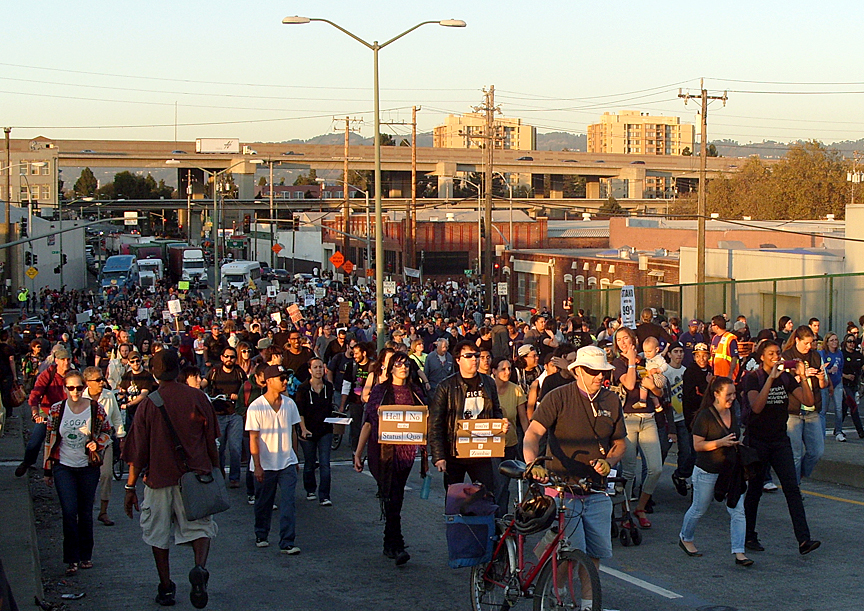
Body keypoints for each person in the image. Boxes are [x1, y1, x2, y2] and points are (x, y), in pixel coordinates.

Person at [523, 346, 627, 592]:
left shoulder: (611, 399)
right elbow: (532, 434)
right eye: (593, 371)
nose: (599, 376)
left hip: (597, 492)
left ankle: (589, 605)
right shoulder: (558, 397)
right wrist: (532, 464)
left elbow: (621, 443)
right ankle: (555, 598)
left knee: (593, 558)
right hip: (562, 492)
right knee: (569, 554)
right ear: (578, 370)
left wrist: (609, 462)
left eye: (603, 371)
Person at [122, 349, 220, 609]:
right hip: (195, 477)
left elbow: (138, 453)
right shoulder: (199, 397)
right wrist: (216, 471)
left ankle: (166, 587)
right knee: (200, 528)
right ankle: (199, 567)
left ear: (154, 373)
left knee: (157, 534)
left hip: (159, 478)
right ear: (179, 370)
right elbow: (211, 442)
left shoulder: (147, 404)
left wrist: (130, 487)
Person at [741, 340, 820, 555]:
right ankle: (748, 535)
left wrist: (803, 377)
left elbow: (808, 401)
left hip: (779, 441)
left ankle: (804, 540)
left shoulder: (786, 378)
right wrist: (770, 380)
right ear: (762, 357)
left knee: (792, 489)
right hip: (758, 441)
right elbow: (756, 407)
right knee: (755, 490)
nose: (776, 357)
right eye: (771, 354)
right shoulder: (753, 378)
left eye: (778, 353)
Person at [354, 352, 426, 565]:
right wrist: (358, 453)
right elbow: (368, 423)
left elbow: (423, 420)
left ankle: (389, 542)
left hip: (405, 452)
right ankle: (398, 544)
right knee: (391, 493)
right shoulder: (380, 391)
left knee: (395, 497)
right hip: (382, 452)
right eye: (399, 364)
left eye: (406, 365)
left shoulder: (416, 392)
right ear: (390, 369)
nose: (403, 368)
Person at [42, 370, 112, 576]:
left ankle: (85, 556)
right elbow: (49, 440)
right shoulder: (56, 410)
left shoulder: (95, 408)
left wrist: (96, 444)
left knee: (85, 512)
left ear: (84, 388)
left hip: (87, 467)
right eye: (70, 387)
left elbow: (107, 432)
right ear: (64, 388)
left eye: (79, 388)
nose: (75, 392)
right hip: (63, 466)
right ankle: (71, 559)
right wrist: (47, 470)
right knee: (69, 511)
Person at [678, 376, 753, 566]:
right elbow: (697, 445)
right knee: (699, 508)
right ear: (716, 394)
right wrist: (720, 443)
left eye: (734, 394)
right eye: (728, 394)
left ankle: (739, 552)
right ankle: (685, 537)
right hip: (707, 470)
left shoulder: (733, 412)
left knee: (738, 510)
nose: (732, 398)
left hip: (730, 471)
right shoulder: (705, 416)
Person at [429, 340, 506, 492]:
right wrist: (439, 456)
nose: (474, 360)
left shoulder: (488, 383)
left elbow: (496, 411)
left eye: (477, 355)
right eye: (469, 356)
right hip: (454, 453)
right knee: (454, 498)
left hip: (482, 451)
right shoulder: (446, 386)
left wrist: (501, 424)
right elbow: (435, 423)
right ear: (458, 360)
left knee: (486, 494)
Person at [246, 365, 302, 555]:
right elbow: (253, 437)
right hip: (265, 464)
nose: (285, 382)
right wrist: (258, 466)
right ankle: (261, 533)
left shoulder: (289, 404)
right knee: (264, 502)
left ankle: (287, 541)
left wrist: (295, 458)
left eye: (285, 378)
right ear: (269, 381)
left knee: (288, 502)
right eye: (281, 378)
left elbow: (294, 432)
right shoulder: (256, 407)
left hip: (286, 462)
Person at [611, 327, 662, 528]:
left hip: (648, 418)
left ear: (634, 339)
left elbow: (659, 389)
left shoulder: (648, 360)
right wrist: (631, 360)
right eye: (619, 340)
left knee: (656, 468)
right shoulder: (618, 363)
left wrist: (652, 387)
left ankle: (640, 506)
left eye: (626, 338)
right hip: (628, 419)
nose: (623, 342)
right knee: (629, 470)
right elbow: (630, 385)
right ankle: (626, 512)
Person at [15, 348, 72, 477]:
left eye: (68, 359)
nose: (66, 362)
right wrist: (36, 413)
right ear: (56, 360)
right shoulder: (47, 374)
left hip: (68, 412)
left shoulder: (73, 375)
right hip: (49, 412)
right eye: (63, 360)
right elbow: (35, 395)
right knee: (36, 439)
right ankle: (27, 462)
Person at [781, 325, 827, 483]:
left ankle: (800, 474)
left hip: (812, 410)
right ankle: (795, 488)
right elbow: (783, 383)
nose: (809, 347)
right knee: (795, 454)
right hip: (793, 410)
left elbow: (823, 384)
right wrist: (801, 375)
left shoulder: (816, 356)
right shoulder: (787, 356)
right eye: (806, 343)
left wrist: (821, 377)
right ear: (797, 340)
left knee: (817, 451)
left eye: (811, 343)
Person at [82, 366, 125, 527]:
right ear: (88, 382)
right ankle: (85, 509)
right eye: (98, 380)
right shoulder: (81, 397)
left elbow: (116, 417)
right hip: (84, 444)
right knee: (86, 477)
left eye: (102, 379)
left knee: (106, 475)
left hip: (105, 441)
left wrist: (121, 437)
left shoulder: (108, 396)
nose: (101, 382)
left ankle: (103, 511)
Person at [203, 346, 247, 489]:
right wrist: (197, 387)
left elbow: (246, 390)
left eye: (232, 357)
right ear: (222, 358)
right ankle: (220, 475)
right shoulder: (214, 372)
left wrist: (238, 396)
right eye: (227, 356)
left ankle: (234, 477)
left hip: (235, 414)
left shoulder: (239, 373)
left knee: (235, 448)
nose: (229, 359)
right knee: (219, 448)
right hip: (218, 415)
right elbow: (204, 383)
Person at [491, 356, 528, 516]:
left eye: (509, 369)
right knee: (496, 484)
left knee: (504, 485)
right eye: (503, 369)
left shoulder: (516, 389)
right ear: (494, 371)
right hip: (491, 444)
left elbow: (523, 418)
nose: (507, 372)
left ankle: (502, 519)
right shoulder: (487, 388)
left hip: (510, 443)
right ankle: (494, 519)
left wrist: (529, 439)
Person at [295, 357, 334, 506]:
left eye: (320, 367)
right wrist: (303, 429)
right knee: (310, 462)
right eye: (315, 367)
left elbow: (330, 408)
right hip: (308, 430)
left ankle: (324, 495)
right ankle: (310, 488)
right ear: (310, 370)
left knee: (325, 462)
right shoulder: (303, 388)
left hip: (325, 430)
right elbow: (300, 411)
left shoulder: (328, 387)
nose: (319, 370)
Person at [666, 343, 694, 496]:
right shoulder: (665, 371)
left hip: (683, 416)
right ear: (669, 354)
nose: (679, 355)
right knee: (663, 451)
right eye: (675, 352)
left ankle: (680, 475)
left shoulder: (686, 372)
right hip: (668, 418)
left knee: (687, 451)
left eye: (681, 352)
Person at [839, 334, 864, 439]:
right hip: (844, 384)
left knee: (844, 408)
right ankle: (860, 431)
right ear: (845, 342)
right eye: (849, 341)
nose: (851, 344)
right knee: (853, 406)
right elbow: (837, 371)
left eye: (853, 342)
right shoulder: (842, 354)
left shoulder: (858, 355)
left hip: (854, 385)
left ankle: (838, 428)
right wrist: (846, 376)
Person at [709, 315, 739, 381]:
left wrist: (730, 374)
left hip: (726, 375)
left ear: (716, 327)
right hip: (716, 374)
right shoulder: (715, 338)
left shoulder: (730, 338)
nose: (711, 327)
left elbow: (734, 358)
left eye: (712, 325)